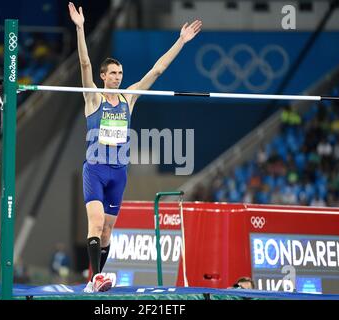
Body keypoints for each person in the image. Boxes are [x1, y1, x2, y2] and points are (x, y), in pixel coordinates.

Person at [68, 2, 202, 292]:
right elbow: (85, 64)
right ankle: (94, 278)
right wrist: (80, 28)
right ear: (104, 76)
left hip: (119, 173)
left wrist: (180, 41)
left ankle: (97, 279)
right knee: (95, 222)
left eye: (120, 73)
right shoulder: (93, 99)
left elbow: (157, 70)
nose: (117, 77)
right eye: (113, 73)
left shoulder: (129, 98)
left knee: (107, 231)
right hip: (95, 169)